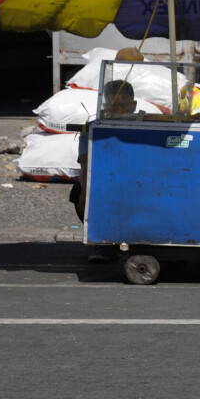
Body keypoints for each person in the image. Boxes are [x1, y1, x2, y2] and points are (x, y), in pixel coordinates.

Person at [70, 79, 138, 262]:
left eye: (125, 105)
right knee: (79, 193)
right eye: (115, 105)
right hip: (107, 182)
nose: (121, 110)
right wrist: (85, 194)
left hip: (137, 182)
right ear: (106, 106)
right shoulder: (95, 127)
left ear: (134, 105)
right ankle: (104, 242)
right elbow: (86, 162)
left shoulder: (144, 126)